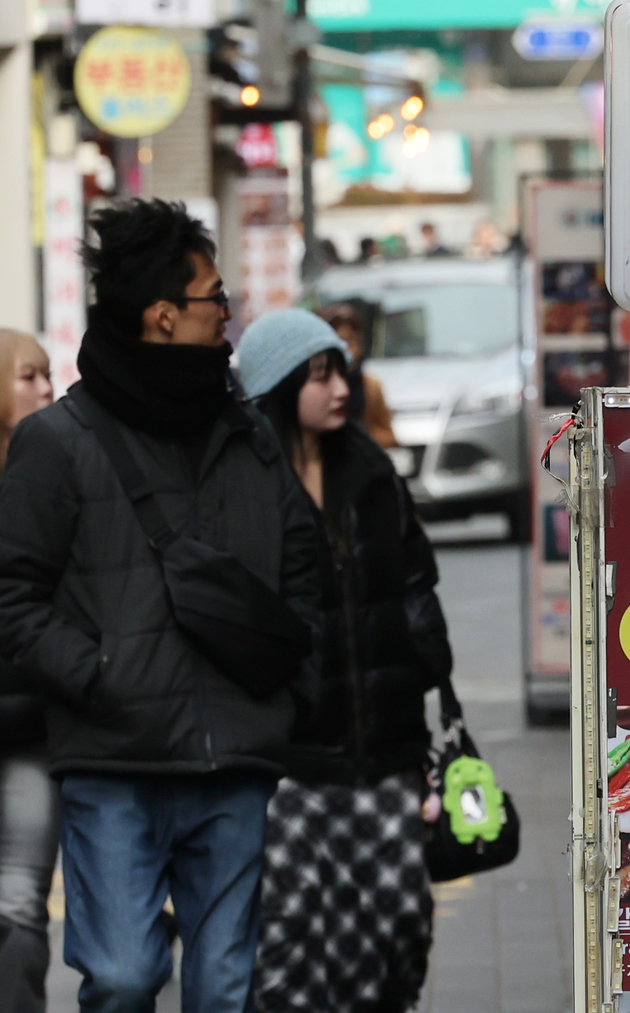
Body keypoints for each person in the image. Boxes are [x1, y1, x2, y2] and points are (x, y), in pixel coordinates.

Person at [0, 199, 321, 1012]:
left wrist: (288, 690)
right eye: (217, 298)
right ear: (164, 313)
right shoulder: (58, 442)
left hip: (236, 755)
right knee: (122, 974)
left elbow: (304, 567)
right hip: (114, 761)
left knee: (226, 986)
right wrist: (102, 673)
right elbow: (10, 596)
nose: (229, 316)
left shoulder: (245, 434)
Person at [237, 309, 451, 1013]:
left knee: (397, 926)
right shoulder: (246, 490)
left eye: (340, 372)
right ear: (277, 384)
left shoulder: (372, 473)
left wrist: (432, 681)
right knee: (292, 942)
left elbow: (417, 585)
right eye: (319, 374)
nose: (339, 388)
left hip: (386, 752)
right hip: (292, 764)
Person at [0, 330, 56, 1013]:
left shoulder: (60, 475)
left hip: (36, 728)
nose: (45, 388)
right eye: (29, 377)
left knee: (19, 902)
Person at [316, 303, 397, 448]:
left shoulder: (370, 386)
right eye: (340, 341)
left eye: (352, 341)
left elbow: (390, 437)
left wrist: (361, 434)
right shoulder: (315, 386)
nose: (347, 350)